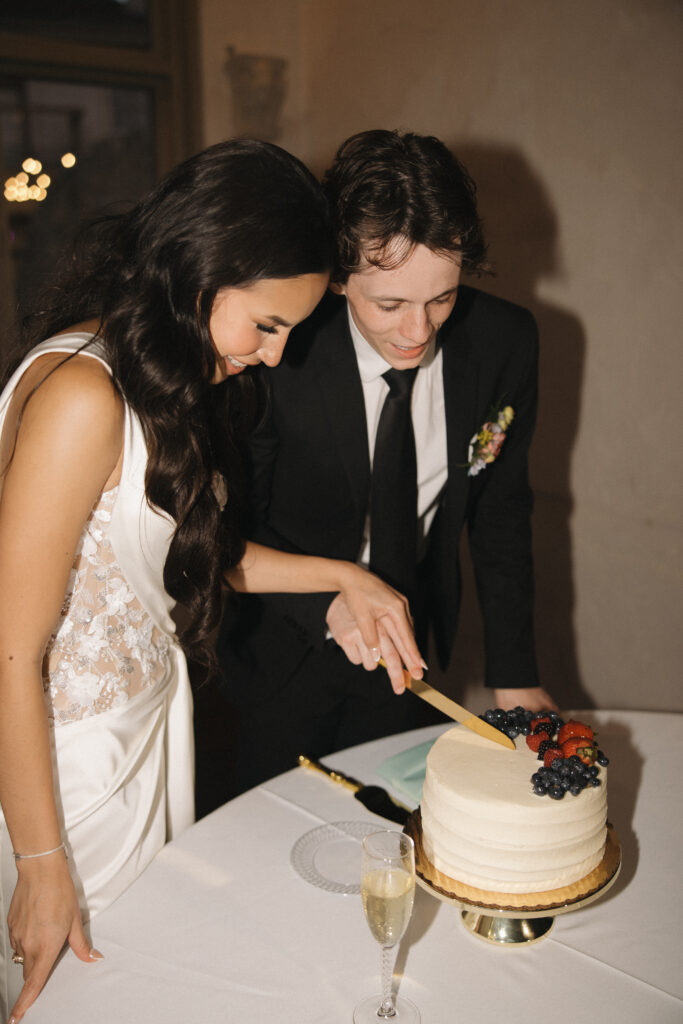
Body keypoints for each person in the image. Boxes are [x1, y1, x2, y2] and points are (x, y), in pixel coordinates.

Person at [0, 138, 423, 1023]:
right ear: (202, 271)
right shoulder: (83, 395)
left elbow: (181, 554)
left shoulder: (162, 374)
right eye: (266, 325)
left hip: (148, 741)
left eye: (289, 334)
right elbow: (10, 649)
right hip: (69, 779)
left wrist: (344, 576)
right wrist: (41, 865)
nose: (273, 356)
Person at [216, 128, 557, 797]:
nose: (418, 331)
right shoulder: (279, 350)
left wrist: (512, 669)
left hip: (409, 652)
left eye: (442, 297)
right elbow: (226, 527)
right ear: (338, 279)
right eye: (390, 303)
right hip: (272, 655)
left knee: (389, 829)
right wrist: (328, 600)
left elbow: (500, 513)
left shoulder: (503, 343)